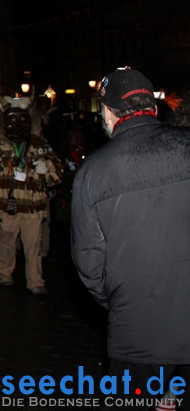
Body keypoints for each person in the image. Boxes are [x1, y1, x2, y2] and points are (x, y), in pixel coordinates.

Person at [72, 67, 190, 409]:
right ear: (152, 107)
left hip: (138, 331)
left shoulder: (92, 172)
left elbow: (90, 264)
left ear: (108, 112)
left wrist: (124, 300)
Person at [0, 88, 63, 294]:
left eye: (22, 119)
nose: (17, 124)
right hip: (3, 203)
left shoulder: (39, 145)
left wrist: (47, 168)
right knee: (4, 239)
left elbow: (58, 172)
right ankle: (4, 271)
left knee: (33, 245)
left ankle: (35, 280)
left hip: (33, 204)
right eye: (12, 119)